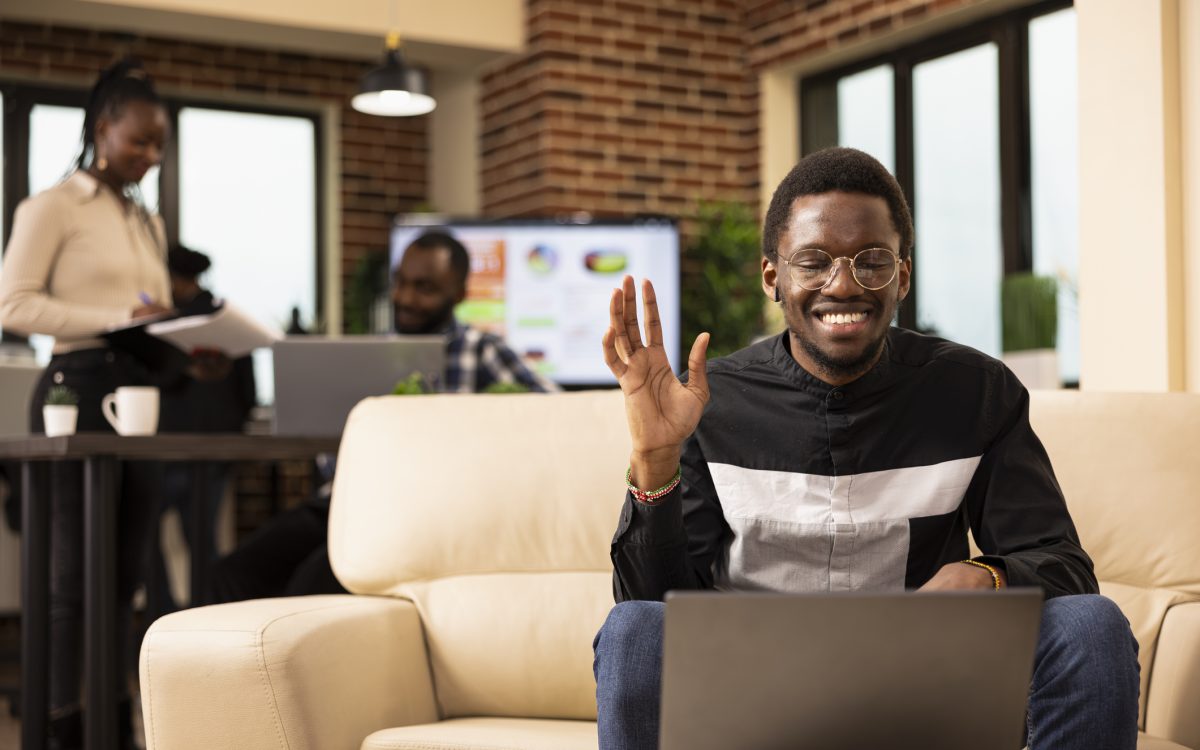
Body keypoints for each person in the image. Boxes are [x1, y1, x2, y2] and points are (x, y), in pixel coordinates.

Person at [592, 148, 1140, 750]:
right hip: (751, 698)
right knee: (634, 632)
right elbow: (654, 609)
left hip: (925, 691)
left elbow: (1062, 564)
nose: (844, 284)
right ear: (774, 275)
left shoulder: (974, 392)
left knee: (1092, 625)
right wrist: (655, 457)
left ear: (903, 275)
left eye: (873, 261)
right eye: (814, 261)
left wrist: (987, 576)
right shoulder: (708, 402)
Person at [209, 229, 557, 602]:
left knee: (309, 586)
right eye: (400, 283)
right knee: (232, 574)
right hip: (345, 500)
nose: (405, 298)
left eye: (424, 287)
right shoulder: (368, 355)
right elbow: (331, 460)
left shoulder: (482, 351)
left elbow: (555, 414)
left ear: (458, 294)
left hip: (416, 511)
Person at [0, 57, 172, 749]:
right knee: (72, 578)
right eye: (140, 142)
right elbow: (13, 302)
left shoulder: (145, 221)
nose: (151, 157)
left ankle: (114, 720)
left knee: (125, 578)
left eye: (161, 145)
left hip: (138, 389)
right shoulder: (51, 207)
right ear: (103, 129)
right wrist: (110, 318)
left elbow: (142, 311)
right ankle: (63, 727)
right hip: (74, 389)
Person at [147, 244, 257, 617]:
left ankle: (162, 618)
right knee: (201, 541)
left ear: (175, 279)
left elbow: (154, 378)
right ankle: (203, 621)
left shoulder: (166, 324)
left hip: (170, 446)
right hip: (215, 447)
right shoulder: (228, 318)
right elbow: (249, 392)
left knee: (150, 537)